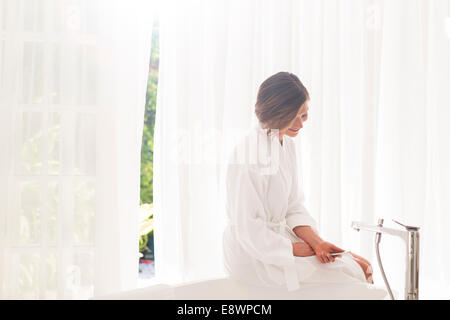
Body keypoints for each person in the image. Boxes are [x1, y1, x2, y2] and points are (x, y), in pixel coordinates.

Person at [222, 71, 373, 291]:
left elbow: (293, 206)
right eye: (293, 116)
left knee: (364, 266)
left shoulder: (285, 143)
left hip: (279, 243)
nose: (300, 125)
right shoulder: (250, 154)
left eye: (303, 116)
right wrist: (290, 248)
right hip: (254, 254)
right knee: (357, 272)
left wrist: (317, 242)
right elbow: (247, 226)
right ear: (276, 112)